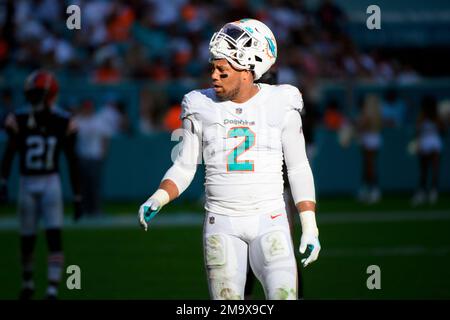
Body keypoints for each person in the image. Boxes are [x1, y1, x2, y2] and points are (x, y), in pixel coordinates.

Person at [138, 19, 320, 300]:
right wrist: (158, 197)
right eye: (212, 68)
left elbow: (298, 168)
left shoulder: (281, 101)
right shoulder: (199, 104)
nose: (214, 76)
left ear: (247, 70)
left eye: (222, 70)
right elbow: (185, 166)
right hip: (221, 221)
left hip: (270, 217)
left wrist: (310, 226)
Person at [0, 70, 82, 300]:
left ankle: (43, 287)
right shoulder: (58, 120)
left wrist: (4, 181)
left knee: (43, 236)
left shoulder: (22, 119)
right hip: (39, 182)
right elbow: (71, 160)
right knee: (37, 237)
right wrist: (77, 195)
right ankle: (39, 285)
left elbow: (9, 154)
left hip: (40, 181)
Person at [412, 95, 444, 205]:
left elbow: (442, 130)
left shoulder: (437, 117)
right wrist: (418, 145)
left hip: (434, 143)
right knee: (424, 169)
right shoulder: (421, 116)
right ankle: (422, 191)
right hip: (424, 143)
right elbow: (417, 131)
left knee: (434, 168)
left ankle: (433, 191)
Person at [356, 94, 382, 204]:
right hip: (369, 139)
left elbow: (363, 126)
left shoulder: (370, 115)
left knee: (370, 166)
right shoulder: (369, 114)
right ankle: (367, 190)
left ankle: (374, 190)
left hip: (371, 140)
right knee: (367, 166)